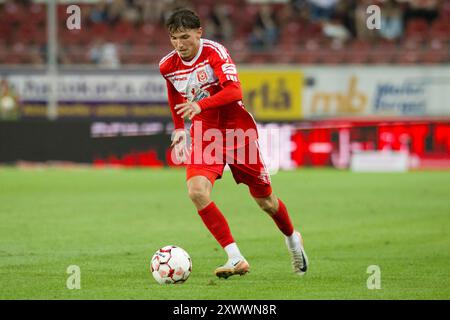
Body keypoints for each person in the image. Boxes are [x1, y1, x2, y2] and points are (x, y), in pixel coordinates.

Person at [159, 9, 308, 279]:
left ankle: (292, 239)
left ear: (198, 33)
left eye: (185, 37)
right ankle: (235, 257)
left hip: (237, 130)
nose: (179, 45)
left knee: (266, 201)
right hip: (206, 131)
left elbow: (234, 91)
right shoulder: (167, 66)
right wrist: (179, 130)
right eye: (173, 39)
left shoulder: (215, 52)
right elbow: (173, 93)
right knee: (196, 192)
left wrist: (199, 103)